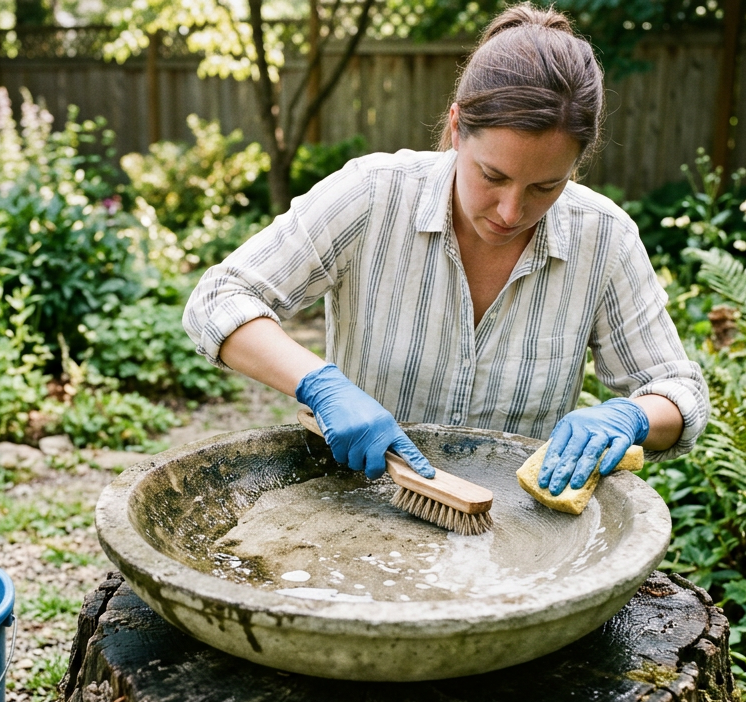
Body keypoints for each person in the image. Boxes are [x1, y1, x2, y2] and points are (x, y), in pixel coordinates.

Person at [183, 3, 708, 496]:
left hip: (517, 535)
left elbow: (677, 390)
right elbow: (220, 299)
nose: (510, 211)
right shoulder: (373, 195)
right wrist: (318, 384)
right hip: (363, 509)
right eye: (492, 175)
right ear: (457, 128)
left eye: (546, 187)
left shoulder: (604, 238)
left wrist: (634, 417)